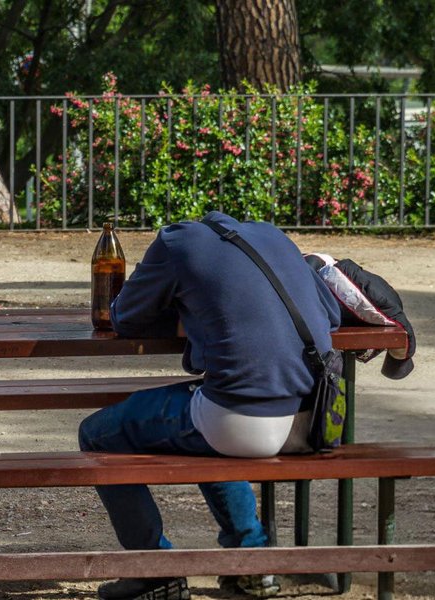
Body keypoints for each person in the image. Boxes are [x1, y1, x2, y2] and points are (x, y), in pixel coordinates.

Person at [79, 211, 341, 600]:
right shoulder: (275, 236)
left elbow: (124, 317)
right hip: (308, 419)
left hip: (237, 421)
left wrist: (185, 307)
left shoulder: (176, 241)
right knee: (206, 416)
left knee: (98, 433)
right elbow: (331, 316)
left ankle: (154, 571)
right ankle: (251, 563)